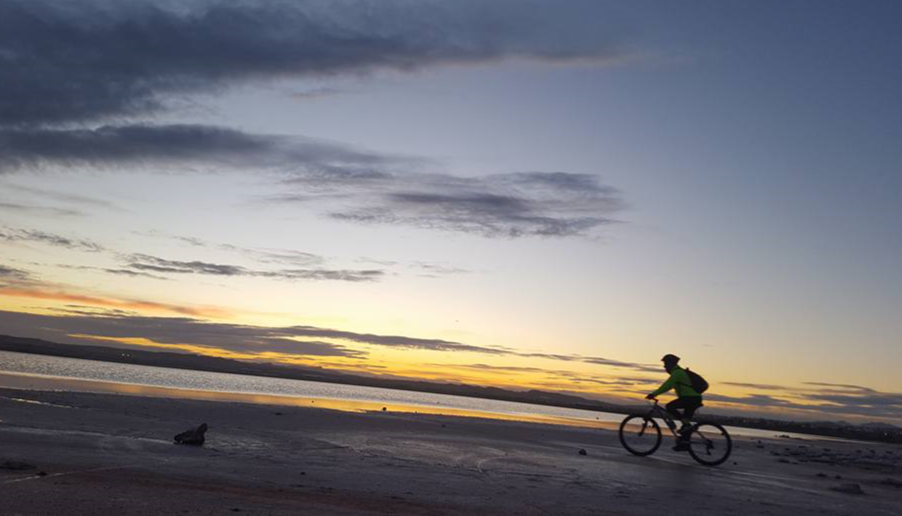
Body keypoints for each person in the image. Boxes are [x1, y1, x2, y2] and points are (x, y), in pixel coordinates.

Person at [646, 354, 702, 451]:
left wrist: (654, 394)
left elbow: (667, 386)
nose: (664, 367)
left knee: (670, 407)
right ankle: (684, 444)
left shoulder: (677, 373)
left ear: (670, 364)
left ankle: (686, 427)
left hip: (690, 398)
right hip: (694, 398)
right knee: (685, 424)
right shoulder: (678, 372)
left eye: (665, 364)